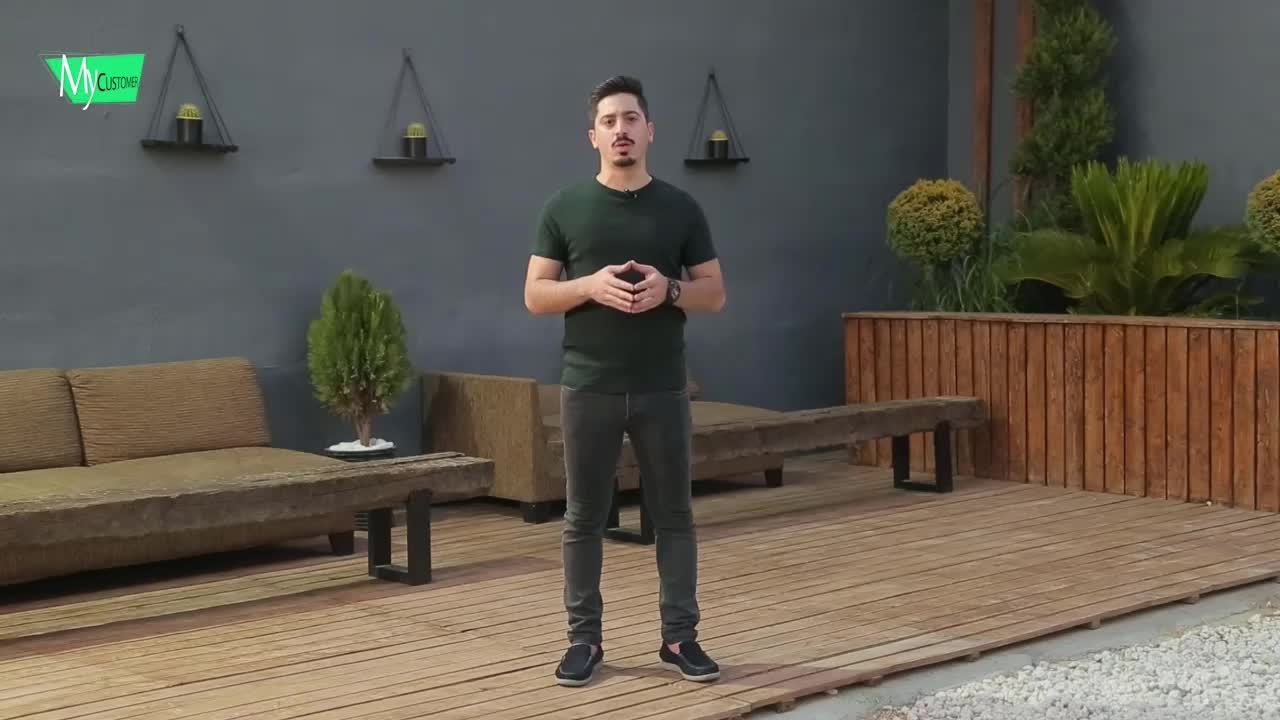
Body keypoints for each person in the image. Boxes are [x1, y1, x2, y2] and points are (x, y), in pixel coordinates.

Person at [523, 75, 727, 687]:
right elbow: (535, 295)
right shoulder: (563, 207)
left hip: (663, 385)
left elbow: (714, 294)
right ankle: (583, 641)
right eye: (609, 121)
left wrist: (669, 289)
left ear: (649, 131)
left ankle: (679, 637)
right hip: (589, 385)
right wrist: (589, 285)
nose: (621, 130)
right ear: (593, 136)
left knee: (674, 515)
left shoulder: (681, 208)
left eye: (631, 119)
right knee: (583, 517)